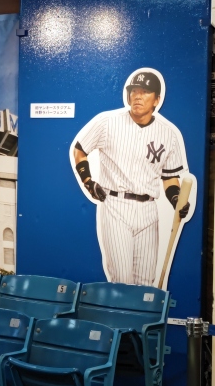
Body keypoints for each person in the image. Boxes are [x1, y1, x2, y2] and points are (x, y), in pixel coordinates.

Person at [71, 69, 192, 287]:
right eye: (134, 91)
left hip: (149, 211)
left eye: (145, 92)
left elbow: (169, 178)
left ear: (157, 100)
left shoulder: (168, 134)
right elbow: (79, 149)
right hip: (116, 206)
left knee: (145, 283)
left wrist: (177, 200)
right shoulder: (108, 122)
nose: (137, 96)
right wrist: (88, 182)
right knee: (122, 280)